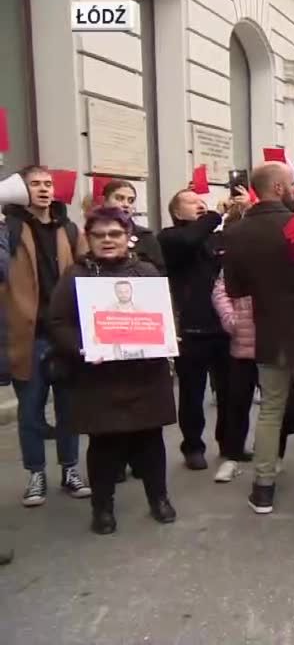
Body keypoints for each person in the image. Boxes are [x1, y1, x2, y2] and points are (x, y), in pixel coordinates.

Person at [47, 207, 176, 534]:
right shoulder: (76, 275)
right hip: (99, 376)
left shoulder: (146, 272)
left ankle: (159, 499)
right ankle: (102, 508)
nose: (107, 240)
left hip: (145, 373)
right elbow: (58, 321)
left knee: (151, 441)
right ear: (89, 239)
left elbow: (163, 313)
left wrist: (168, 334)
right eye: (99, 235)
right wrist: (81, 347)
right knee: (104, 446)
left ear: (127, 236)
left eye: (114, 234)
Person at [222, 163, 294, 515]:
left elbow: (235, 289)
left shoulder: (236, 232)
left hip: (267, 331)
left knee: (270, 409)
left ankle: (263, 487)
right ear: (281, 187)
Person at [3, 165, 91, 506]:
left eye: (48, 183)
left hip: (63, 332)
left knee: (68, 406)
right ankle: (35, 473)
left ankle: (70, 469)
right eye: (35, 184)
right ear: (21, 190)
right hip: (27, 334)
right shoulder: (8, 227)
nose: (44, 189)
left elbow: (86, 269)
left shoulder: (68, 228)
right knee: (30, 409)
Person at [159, 188, 231, 471]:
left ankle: (229, 443)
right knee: (191, 393)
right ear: (177, 212)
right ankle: (193, 446)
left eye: (202, 202)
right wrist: (215, 214)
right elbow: (190, 239)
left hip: (222, 326)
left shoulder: (214, 237)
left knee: (228, 392)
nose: (200, 205)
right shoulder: (170, 237)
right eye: (192, 202)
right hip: (191, 329)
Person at [209, 202, 256, 483]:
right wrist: (231, 319)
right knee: (238, 400)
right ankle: (232, 455)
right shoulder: (235, 258)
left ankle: (272, 455)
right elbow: (220, 291)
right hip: (242, 339)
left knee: (278, 405)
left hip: (274, 339)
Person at [100, 180, 165, 272]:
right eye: (119, 198)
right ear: (104, 201)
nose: (126, 204)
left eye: (131, 200)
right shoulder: (92, 234)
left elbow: (160, 273)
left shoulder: (146, 236)